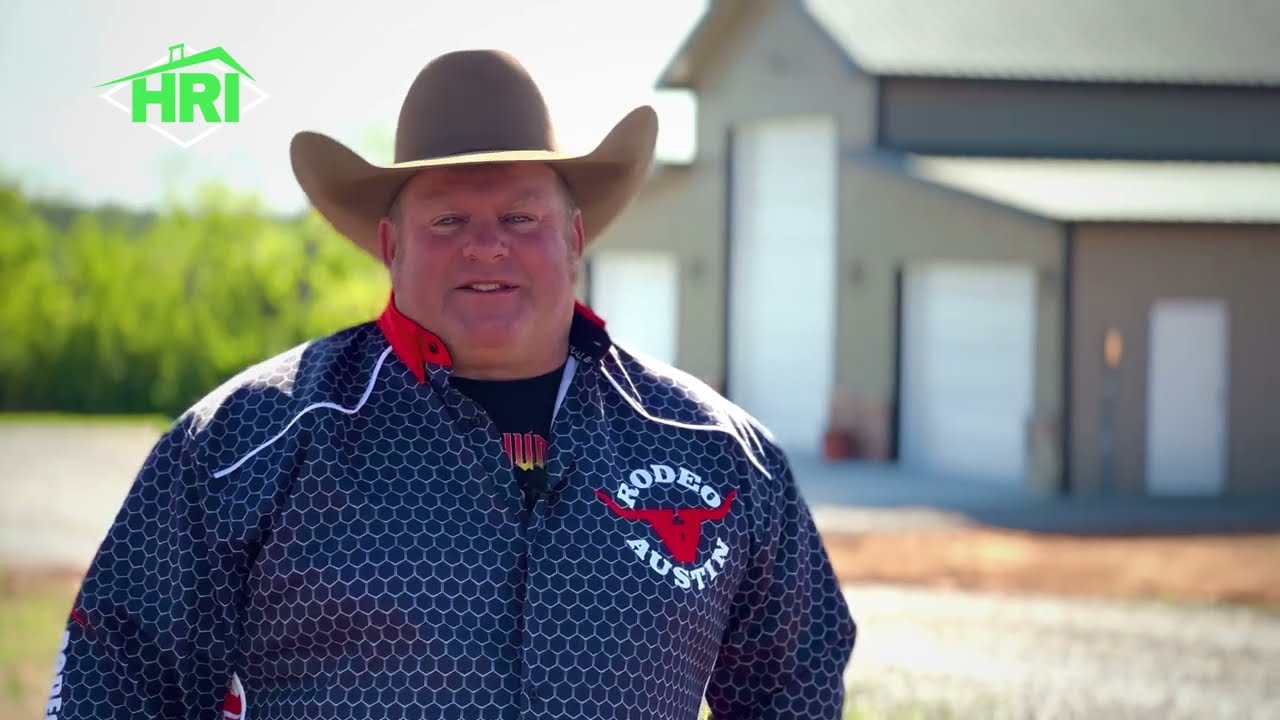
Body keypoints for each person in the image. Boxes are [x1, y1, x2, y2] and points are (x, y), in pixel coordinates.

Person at [45, 49, 856, 719]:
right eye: (448, 220)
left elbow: (792, 690)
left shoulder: (721, 455)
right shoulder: (246, 445)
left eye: (520, 218)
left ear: (574, 238)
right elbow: (117, 684)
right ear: (390, 245)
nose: (487, 246)